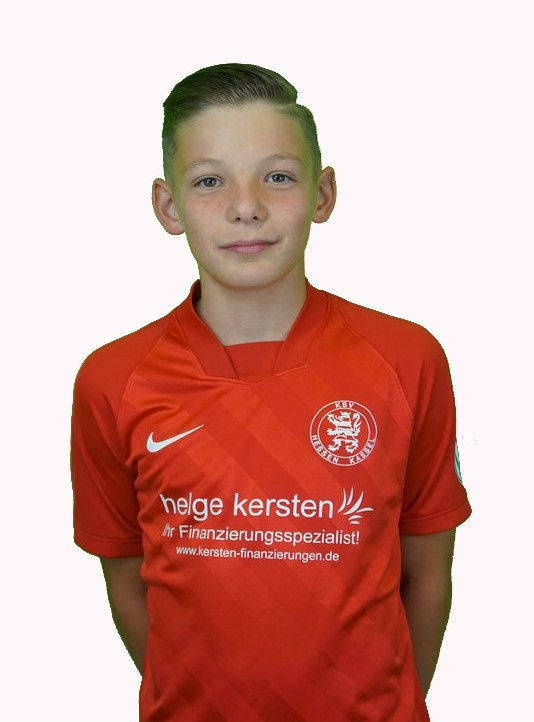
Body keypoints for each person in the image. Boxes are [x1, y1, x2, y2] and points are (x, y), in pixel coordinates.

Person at [70, 63, 471, 722]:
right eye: (209, 181)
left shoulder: (407, 360)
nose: (246, 206)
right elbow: (126, 577)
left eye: (277, 176)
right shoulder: (112, 379)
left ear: (323, 193)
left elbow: (428, 574)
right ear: (168, 206)